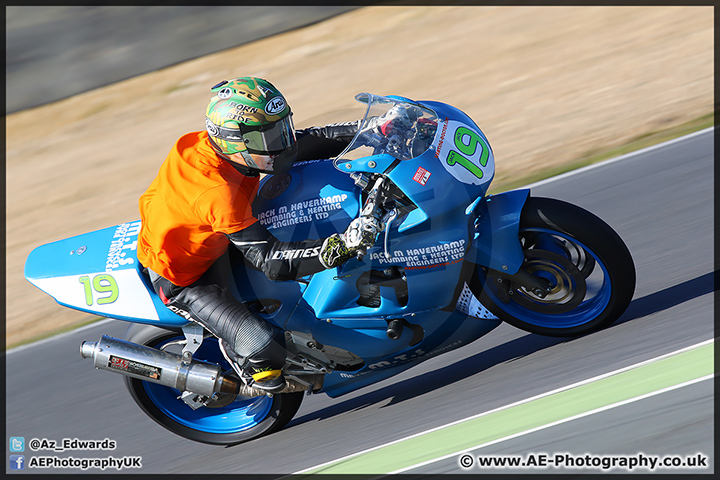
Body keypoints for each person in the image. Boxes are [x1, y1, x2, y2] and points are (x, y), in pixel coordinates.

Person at [137, 77, 381, 393]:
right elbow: (271, 262)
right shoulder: (218, 195)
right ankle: (245, 372)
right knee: (264, 344)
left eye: (281, 128)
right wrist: (342, 246)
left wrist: (376, 129)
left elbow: (305, 142)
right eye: (267, 136)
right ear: (233, 141)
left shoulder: (216, 146)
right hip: (183, 277)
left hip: (208, 232)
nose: (282, 141)